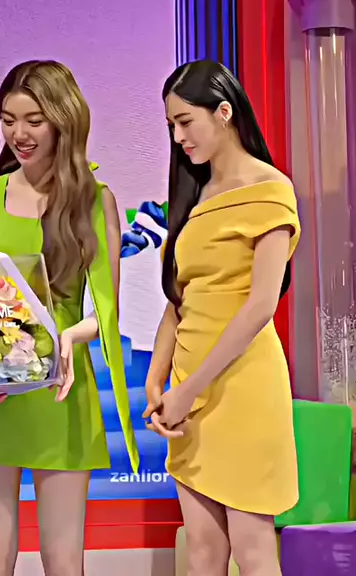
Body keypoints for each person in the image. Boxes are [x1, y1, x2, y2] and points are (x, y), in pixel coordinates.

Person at [0, 60, 138, 576]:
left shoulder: (96, 201)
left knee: (63, 561)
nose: (19, 134)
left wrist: (69, 337)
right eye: (9, 120)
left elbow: (106, 310)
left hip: (61, 391)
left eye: (34, 120)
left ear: (63, 120)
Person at [143, 60, 300, 576]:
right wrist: (157, 379)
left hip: (244, 385)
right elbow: (179, 298)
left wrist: (188, 391)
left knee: (253, 551)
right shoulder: (195, 194)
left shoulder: (270, 189)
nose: (178, 136)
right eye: (171, 125)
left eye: (185, 121)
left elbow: (261, 305)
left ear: (224, 112)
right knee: (204, 552)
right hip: (189, 390)